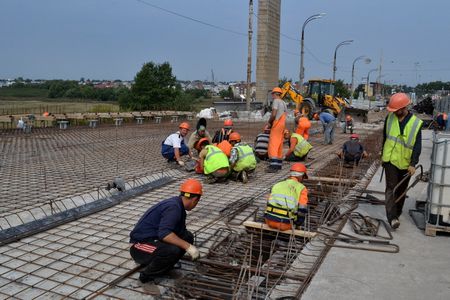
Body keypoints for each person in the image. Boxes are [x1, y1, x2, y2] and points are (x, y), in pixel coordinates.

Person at [129, 179, 202, 283]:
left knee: (187, 237)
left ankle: (166, 265)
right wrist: (188, 247)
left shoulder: (179, 207)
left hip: (154, 241)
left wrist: (187, 243)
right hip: (139, 247)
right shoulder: (174, 207)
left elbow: (180, 232)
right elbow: (165, 234)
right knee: (172, 250)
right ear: (195, 199)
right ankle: (146, 276)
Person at [381, 93, 422, 230]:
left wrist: (413, 163)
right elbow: (385, 138)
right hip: (390, 160)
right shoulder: (390, 118)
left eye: (397, 110)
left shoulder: (416, 123)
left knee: (401, 191)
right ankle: (392, 217)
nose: (395, 113)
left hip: (405, 162)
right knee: (391, 189)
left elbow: (417, 145)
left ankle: (397, 213)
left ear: (405, 107)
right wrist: (383, 157)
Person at [265, 163, 309, 231]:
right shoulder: (302, 188)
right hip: (285, 225)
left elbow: (268, 202)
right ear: (301, 176)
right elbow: (302, 210)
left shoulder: (277, 184)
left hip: (269, 221)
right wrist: (299, 223)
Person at [267, 87, 288, 172]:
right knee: (279, 144)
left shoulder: (276, 101)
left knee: (273, 144)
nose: (272, 96)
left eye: (272, 94)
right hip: (282, 125)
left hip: (276, 124)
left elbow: (274, 114)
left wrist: (269, 122)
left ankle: (273, 166)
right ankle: (278, 164)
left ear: (275, 94)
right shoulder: (283, 102)